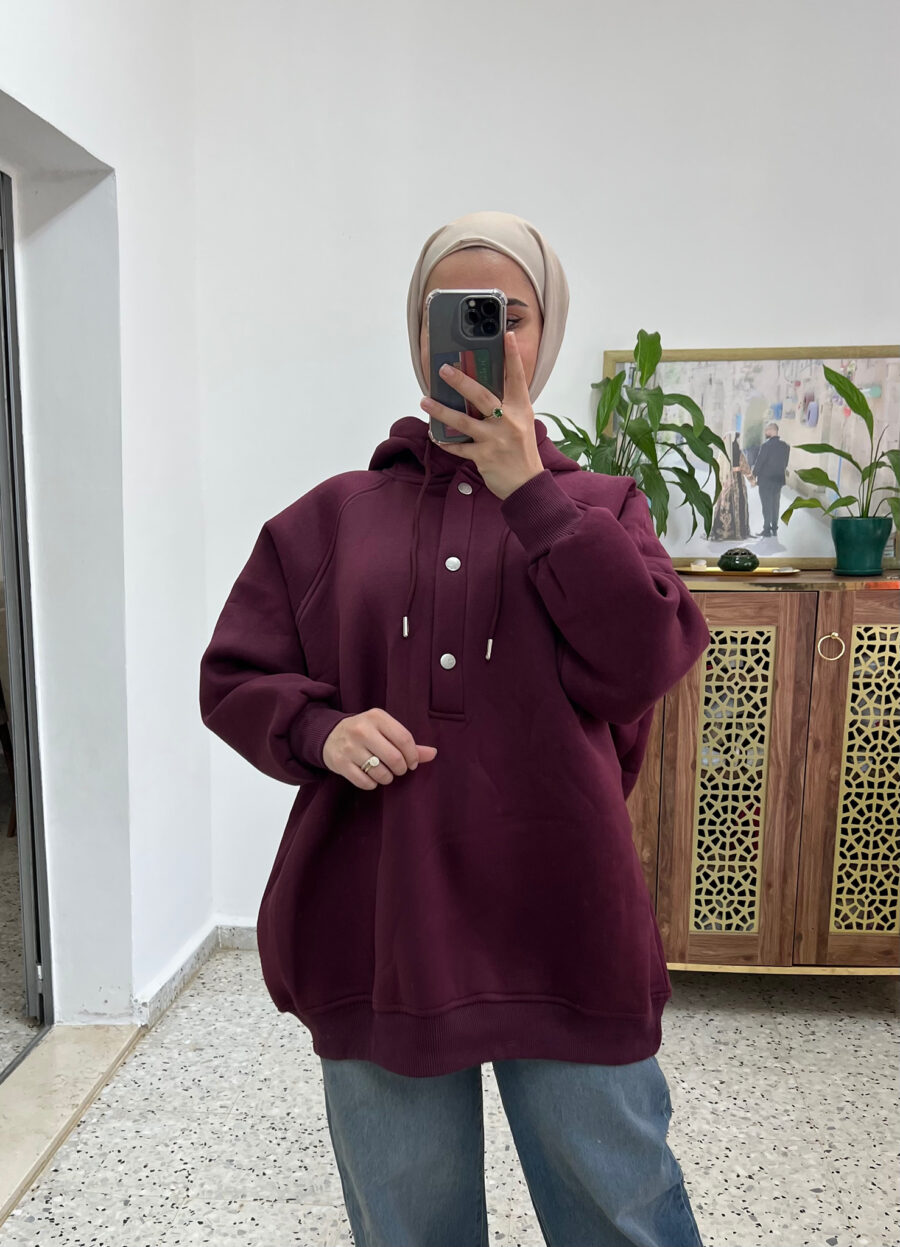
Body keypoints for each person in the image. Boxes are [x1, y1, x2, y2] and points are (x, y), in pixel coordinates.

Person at [199, 210, 710, 1247]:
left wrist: (532, 493)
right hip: (379, 921)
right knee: (409, 1227)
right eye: (459, 315)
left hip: (565, 919)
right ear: (416, 334)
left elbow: (644, 662)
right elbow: (235, 672)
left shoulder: (605, 506)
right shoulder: (335, 515)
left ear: (546, 333)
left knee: (623, 1213)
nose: (488, 338)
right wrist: (319, 729)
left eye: (510, 315)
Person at [709, 429, 753, 542]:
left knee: (724, 503)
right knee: (739, 502)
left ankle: (723, 530)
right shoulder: (737, 450)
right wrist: (751, 479)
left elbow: (718, 465)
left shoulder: (723, 451)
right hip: (737, 479)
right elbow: (744, 466)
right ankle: (738, 531)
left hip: (726, 481)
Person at [750, 421, 791, 538]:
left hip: (766, 480)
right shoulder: (785, 446)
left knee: (766, 505)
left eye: (767, 430)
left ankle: (767, 529)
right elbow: (785, 463)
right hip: (778, 480)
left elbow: (759, 462)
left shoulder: (766, 446)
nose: (765, 432)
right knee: (775, 504)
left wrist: (753, 476)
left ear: (773, 430)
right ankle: (774, 528)